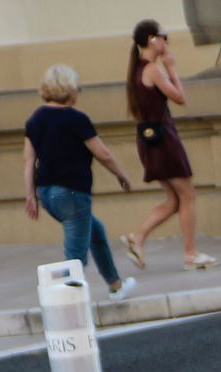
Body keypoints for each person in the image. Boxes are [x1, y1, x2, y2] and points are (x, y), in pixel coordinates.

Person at [23, 65, 137, 298]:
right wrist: (121, 175)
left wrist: (30, 196)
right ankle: (67, 303)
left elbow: (28, 160)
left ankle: (116, 286)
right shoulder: (75, 118)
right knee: (76, 257)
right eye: (78, 88)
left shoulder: (35, 119)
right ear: (69, 90)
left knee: (95, 232)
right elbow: (102, 153)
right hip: (72, 193)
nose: (78, 93)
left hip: (46, 193)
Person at [122, 21, 215, 271]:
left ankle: (138, 236)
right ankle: (190, 254)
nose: (167, 43)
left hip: (148, 139)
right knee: (188, 196)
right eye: (164, 37)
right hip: (163, 140)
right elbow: (180, 97)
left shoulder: (135, 69)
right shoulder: (152, 69)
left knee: (175, 199)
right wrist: (171, 68)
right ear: (152, 39)